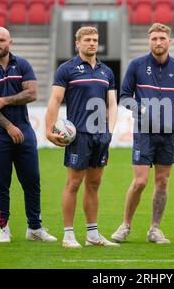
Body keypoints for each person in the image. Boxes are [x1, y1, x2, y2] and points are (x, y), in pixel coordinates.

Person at [0, 27, 57, 243]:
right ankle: (4, 229)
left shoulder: (22, 65)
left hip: (25, 130)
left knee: (32, 180)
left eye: (1, 39)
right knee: (1, 183)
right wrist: (9, 127)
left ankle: (35, 228)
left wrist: (6, 100)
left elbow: (32, 93)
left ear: (10, 42)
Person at [111, 23, 174, 244]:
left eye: (162, 39)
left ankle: (154, 229)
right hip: (143, 133)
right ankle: (125, 225)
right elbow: (125, 96)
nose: (158, 42)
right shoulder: (136, 65)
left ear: (169, 42)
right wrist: (141, 109)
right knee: (140, 182)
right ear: (149, 41)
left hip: (168, 134)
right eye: (154, 38)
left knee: (162, 182)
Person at [45, 26, 118, 249]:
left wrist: (110, 131)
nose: (92, 43)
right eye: (87, 40)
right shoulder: (67, 69)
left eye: (95, 40)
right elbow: (55, 100)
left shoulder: (107, 72)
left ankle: (92, 234)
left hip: (100, 136)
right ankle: (68, 235)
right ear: (77, 43)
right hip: (79, 136)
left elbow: (112, 104)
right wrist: (49, 130)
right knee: (74, 183)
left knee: (94, 184)